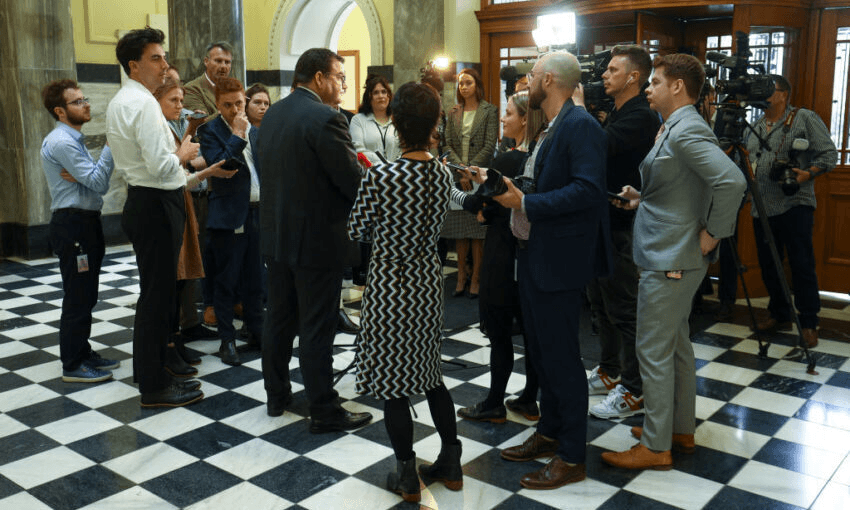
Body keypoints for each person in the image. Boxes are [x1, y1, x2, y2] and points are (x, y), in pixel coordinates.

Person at [464, 51, 611, 489]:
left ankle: (572, 455)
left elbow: (587, 191)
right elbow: (544, 183)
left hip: (558, 259)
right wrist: (505, 187)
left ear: (548, 80)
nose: (527, 82)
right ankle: (549, 430)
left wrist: (525, 201)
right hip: (534, 254)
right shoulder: (551, 126)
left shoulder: (580, 125)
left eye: (532, 75)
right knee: (543, 355)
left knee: (562, 359)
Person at [601, 54, 746, 470]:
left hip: (672, 256)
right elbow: (682, 187)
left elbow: (732, 181)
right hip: (667, 249)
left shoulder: (687, 130)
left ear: (678, 86)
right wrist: (641, 199)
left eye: (655, 82)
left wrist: (713, 233)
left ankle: (655, 445)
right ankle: (678, 429)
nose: (648, 88)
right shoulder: (675, 126)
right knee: (676, 346)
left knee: (652, 349)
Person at [348, 82, 463, 503]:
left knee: (394, 383)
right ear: (434, 123)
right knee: (431, 375)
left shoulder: (382, 175)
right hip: (427, 283)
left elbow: (357, 229)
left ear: (396, 122)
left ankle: (407, 475)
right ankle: (451, 461)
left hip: (389, 285)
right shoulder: (442, 173)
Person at [258, 48, 372, 432]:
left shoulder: (273, 113)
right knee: (317, 326)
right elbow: (352, 181)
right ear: (320, 77)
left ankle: (277, 395)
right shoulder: (326, 117)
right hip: (317, 241)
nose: (343, 85)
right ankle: (324, 409)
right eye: (339, 77)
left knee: (279, 319)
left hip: (277, 237)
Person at [106, 27, 203, 407]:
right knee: (156, 298)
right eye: (156, 58)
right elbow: (162, 167)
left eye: (163, 57)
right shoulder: (143, 104)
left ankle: (157, 373)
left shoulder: (124, 100)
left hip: (145, 201)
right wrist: (183, 152)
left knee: (157, 296)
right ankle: (154, 386)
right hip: (157, 203)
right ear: (134, 65)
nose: (165, 64)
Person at [573, 45, 660, 420]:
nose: (604, 75)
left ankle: (635, 388)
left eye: (612, 70)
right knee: (601, 304)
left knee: (624, 309)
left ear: (633, 77)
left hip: (622, 227)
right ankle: (609, 370)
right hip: (602, 221)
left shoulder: (641, 115)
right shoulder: (619, 112)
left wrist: (578, 111)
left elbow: (599, 146)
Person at [456, 91, 543, 423]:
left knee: (499, 331)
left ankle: (494, 402)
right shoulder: (540, 157)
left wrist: (462, 193)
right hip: (530, 255)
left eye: (508, 113)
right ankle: (529, 398)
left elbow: (481, 206)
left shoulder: (508, 161)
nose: (503, 119)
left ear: (525, 119)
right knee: (532, 330)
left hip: (502, 252)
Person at [747, 74, 837, 348]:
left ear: (784, 94)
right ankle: (780, 314)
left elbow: (828, 155)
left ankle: (809, 323)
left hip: (794, 205)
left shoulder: (803, 118)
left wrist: (807, 174)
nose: (762, 94)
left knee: (801, 264)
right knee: (769, 265)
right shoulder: (754, 126)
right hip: (761, 207)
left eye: (768, 89)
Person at [40, 79, 119, 383]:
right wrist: (110, 147)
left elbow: (95, 183)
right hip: (73, 225)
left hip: (84, 222)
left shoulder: (73, 139)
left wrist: (89, 176)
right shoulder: (62, 142)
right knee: (78, 295)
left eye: (85, 99)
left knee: (87, 293)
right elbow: (98, 182)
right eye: (77, 102)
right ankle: (72, 364)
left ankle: (83, 351)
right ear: (60, 111)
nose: (86, 105)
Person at [197, 77, 265, 366]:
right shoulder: (209, 131)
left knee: (255, 279)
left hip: (257, 212)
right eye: (228, 105)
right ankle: (227, 340)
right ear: (217, 104)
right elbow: (223, 165)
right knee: (226, 281)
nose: (235, 110)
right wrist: (237, 134)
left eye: (239, 103)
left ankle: (257, 333)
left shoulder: (255, 130)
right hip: (228, 215)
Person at [163, 65, 218, 343]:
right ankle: (171, 335)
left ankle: (189, 321)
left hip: (192, 193)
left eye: (180, 95)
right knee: (174, 269)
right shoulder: (157, 124)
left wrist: (192, 130)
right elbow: (175, 165)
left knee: (193, 260)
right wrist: (191, 159)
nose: (179, 102)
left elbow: (194, 157)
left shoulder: (184, 118)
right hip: (168, 200)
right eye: (172, 96)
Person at [443, 68, 498, 298]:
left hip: (479, 174)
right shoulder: (454, 111)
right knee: (460, 231)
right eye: (461, 83)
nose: (463, 87)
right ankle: (461, 277)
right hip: (458, 175)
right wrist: (461, 170)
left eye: (468, 83)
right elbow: (447, 143)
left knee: (477, 232)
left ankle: (476, 278)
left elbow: (489, 144)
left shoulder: (489, 110)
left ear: (477, 85)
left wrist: (470, 171)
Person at [349, 74, 401, 165]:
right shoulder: (358, 120)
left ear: (389, 95)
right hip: (369, 171)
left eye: (384, 92)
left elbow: (404, 150)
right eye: (376, 93)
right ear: (369, 97)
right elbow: (358, 151)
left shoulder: (397, 120)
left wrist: (393, 167)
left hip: (396, 172)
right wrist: (384, 166)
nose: (381, 96)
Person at [184, 41, 233, 118]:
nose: (223, 66)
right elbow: (202, 122)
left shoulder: (234, 89)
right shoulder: (191, 89)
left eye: (227, 62)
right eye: (218, 61)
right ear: (206, 61)